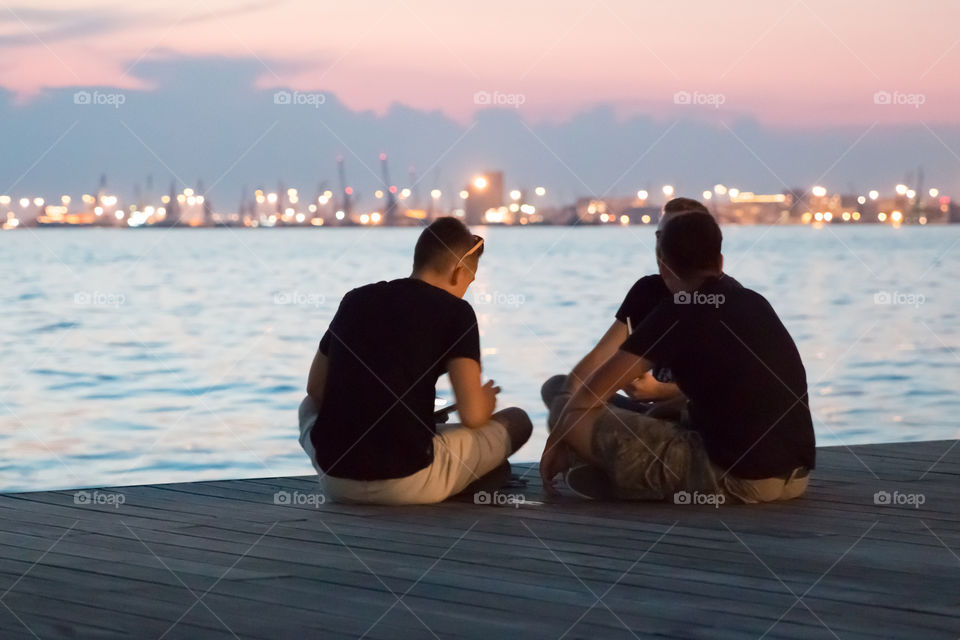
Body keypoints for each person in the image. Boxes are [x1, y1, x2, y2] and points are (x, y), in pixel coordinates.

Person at [540, 210, 815, 503]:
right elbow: (737, 399)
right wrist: (659, 411)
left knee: (565, 410)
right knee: (570, 401)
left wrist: (555, 442)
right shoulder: (753, 301)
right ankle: (626, 478)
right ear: (720, 261)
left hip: (738, 479)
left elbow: (589, 394)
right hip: (796, 478)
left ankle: (629, 481)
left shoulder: (678, 310)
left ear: (664, 266)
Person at [298, 217, 531, 505]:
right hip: (409, 482)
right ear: (458, 271)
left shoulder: (355, 299)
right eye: (469, 281)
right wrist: (485, 402)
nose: (466, 289)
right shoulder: (457, 313)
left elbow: (316, 390)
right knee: (519, 421)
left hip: (336, 480)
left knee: (307, 407)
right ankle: (472, 478)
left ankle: (466, 474)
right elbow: (472, 416)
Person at [541, 198, 729, 426]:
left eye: (674, 236)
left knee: (579, 411)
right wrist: (567, 401)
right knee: (559, 388)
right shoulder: (648, 290)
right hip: (646, 412)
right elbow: (602, 355)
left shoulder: (724, 299)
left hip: (690, 418)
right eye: (660, 236)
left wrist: (661, 392)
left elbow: (729, 390)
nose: (663, 245)